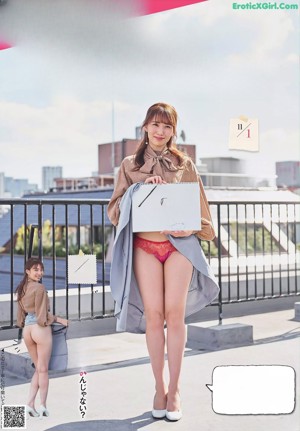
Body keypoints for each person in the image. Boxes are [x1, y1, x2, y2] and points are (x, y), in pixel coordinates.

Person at [107, 102, 219, 421]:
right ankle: (159, 387)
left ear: (173, 131)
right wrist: (139, 190)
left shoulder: (185, 164)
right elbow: (114, 211)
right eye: (155, 125)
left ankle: (176, 391)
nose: (160, 131)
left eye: (167, 126)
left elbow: (204, 215)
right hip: (145, 245)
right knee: (154, 317)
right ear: (145, 127)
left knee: (175, 314)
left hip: (179, 246)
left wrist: (192, 226)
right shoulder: (130, 164)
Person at [15, 257, 68, 418]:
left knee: (38, 369)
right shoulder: (39, 288)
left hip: (27, 331)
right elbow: (42, 317)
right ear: (27, 271)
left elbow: (20, 316)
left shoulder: (22, 288)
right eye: (35, 269)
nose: (39, 273)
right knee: (43, 370)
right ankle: (43, 405)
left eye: (40, 269)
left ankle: (29, 404)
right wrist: (59, 319)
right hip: (39, 329)